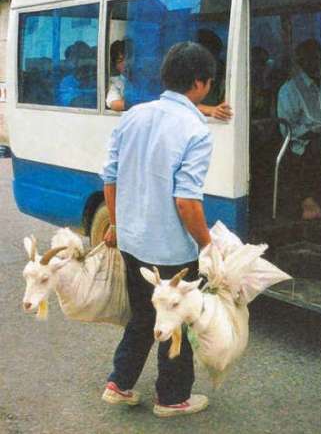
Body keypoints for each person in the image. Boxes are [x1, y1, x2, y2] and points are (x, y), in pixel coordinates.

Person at [100, 41, 216, 418]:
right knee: (176, 319)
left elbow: (110, 178)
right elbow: (187, 202)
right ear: (200, 83)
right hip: (171, 251)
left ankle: (119, 383)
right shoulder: (195, 128)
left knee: (143, 314)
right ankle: (172, 397)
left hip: (132, 242)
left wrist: (116, 225)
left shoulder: (133, 115)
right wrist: (208, 245)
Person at [277, 38, 321, 220]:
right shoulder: (290, 89)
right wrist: (314, 130)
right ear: (301, 62)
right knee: (319, 150)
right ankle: (310, 205)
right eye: (311, 58)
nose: (316, 62)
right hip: (300, 144)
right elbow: (287, 130)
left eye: (318, 58)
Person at [196, 28, 232, 121]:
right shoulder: (190, 71)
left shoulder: (228, 71)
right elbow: (180, 104)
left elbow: (229, 108)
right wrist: (210, 110)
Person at [106, 39, 132, 111]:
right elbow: (113, 103)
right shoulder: (118, 82)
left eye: (128, 58)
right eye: (119, 61)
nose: (125, 64)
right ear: (115, 65)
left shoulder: (146, 77)